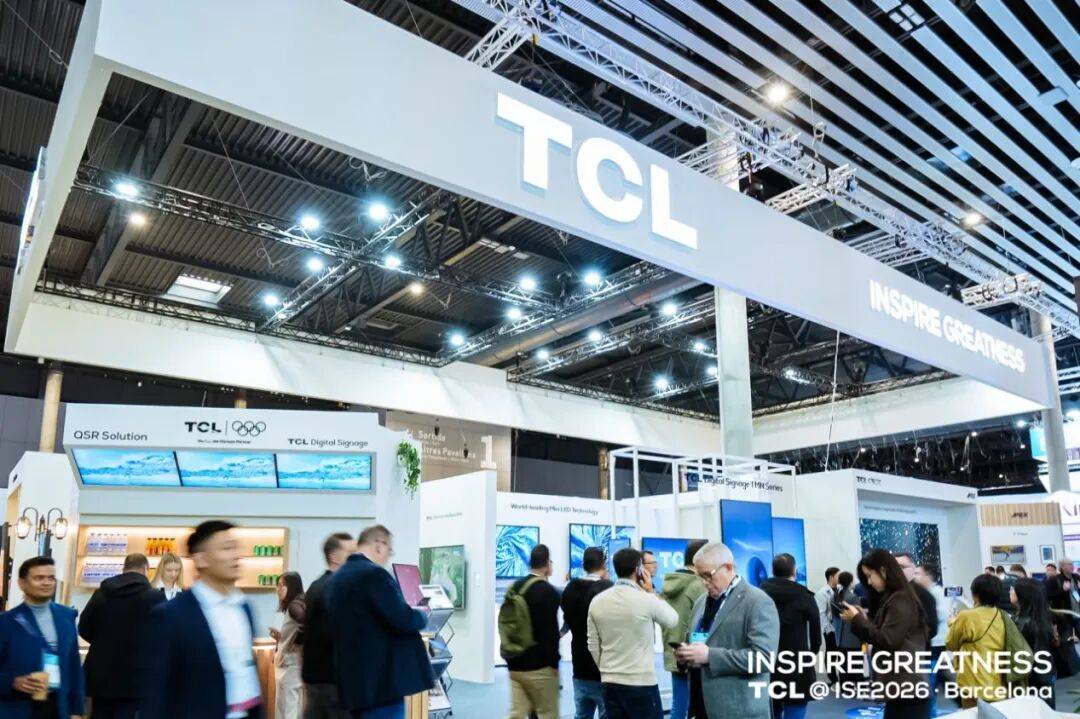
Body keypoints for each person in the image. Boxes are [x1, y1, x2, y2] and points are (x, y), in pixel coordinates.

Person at [142, 520, 262, 719]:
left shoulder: (244, 607)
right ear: (201, 559)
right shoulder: (171, 615)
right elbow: (156, 691)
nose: (235, 555)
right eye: (226, 548)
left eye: (235, 547)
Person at [326, 525, 433, 719]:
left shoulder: (336, 580)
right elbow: (403, 618)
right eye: (389, 551)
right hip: (381, 685)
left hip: (352, 685)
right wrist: (423, 615)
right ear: (379, 546)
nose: (387, 557)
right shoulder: (374, 575)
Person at [675, 541, 779, 719]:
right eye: (700, 576)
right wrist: (687, 654)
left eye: (708, 575)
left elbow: (764, 659)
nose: (704, 582)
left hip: (739, 711)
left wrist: (710, 656)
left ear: (729, 568)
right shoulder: (700, 602)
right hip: (701, 707)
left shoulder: (757, 601)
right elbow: (700, 640)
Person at [587, 548, 677, 719]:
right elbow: (672, 619)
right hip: (641, 683)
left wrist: (608, 670)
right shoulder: (646, 599)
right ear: (638, 570)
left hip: (610, 683)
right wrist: (651, 592)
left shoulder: (597, 601)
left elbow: (593, 645)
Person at [838, 550, 930, 719]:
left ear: (883, 571)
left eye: (870, 575)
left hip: (906, 688)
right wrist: (862, 619)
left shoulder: (900, 599)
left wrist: (858, 619)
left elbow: (887, 640)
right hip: (903, 688)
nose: (869, 582)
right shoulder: (897, 597)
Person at [79, 552, 165, 719]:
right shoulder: (155, 598)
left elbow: (84, 628)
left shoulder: (101, 593)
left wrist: (103, 642)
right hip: (137, 679)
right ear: (146, 569)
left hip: (101, 677)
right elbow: (163, 638)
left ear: (124, 569)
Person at [0, 556, 84, 719]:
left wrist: (77, 710)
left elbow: (74, 666)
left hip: (58, 707)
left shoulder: (66, 616)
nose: (46, 583)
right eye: (39, 578)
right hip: (17, 709)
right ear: (22, 583)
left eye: (51, 578)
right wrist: (12, 682)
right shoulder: (6, 622)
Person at [760, 554, 820, 719]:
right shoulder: (805, 596)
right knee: (796, 709)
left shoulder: (758, 594)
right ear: (794, 571)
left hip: (767, 662)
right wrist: (810, 655)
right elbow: (816, 636)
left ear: (773, 571)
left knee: (770, 711)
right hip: (797, 665)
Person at [504, 544, 560, 719]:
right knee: (548, 714)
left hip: (515, 664)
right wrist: (555, 665)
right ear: (547, 564)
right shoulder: (549, 592)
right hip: (540, 667)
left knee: (517, 714)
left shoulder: (514, 587)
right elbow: (551, 634)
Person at [303, 532, 355, 719]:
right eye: (350, 553)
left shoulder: (316, 585)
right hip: (333, 682)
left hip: (317, 680)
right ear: (334, 556)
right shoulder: (336, 588)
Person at [561, 547, 613, 719]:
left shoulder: (570, 588)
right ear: (604, 564)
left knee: (582, 713)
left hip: (579, 664)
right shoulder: (607, 589)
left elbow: (568, 618)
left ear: (583, 565)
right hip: (603, 666)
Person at [946, 574, 1010, 708]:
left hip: (974, 682)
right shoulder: (1003, 615)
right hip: (999, 680)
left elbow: (951, 644)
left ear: (975, 595)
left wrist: (952, 624)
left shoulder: (966, 616)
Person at [660, 539, 707, 719]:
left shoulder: (670, 582)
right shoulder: (698, 585)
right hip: (693, 652)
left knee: (679, 704)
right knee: (694, 706)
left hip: (674, 649)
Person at [1012, 577, 1057, 709]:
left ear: (1023, 595)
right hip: (1044, 674)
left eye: (1013, 589)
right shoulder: (1040, 618)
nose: (1010, 591)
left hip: (1031, 676)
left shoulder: (1023, 622)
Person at [912, 563, 948, 717]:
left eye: (918, 573)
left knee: (930, 681)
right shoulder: (922, 593)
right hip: (927, 644)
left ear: (928, 576)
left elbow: (941, 615)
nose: (915, 577)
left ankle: (930, 713)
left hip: (936, 643)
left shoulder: (937, 593)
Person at [272, 572, 305, 719]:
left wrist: (297, 642)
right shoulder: (297, 604)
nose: (278, 589)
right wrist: (280, 637)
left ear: (292, 586)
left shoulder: (294, 606)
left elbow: (309, 625)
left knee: (287, 711)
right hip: (293, 665)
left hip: (290, 666)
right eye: (277, 586)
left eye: (282, 585)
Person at [893, 553, 937, 649]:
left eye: (902, 567)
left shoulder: (924, 595)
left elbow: (932, 628)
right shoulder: (886, 594)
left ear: (913, 568)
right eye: (894, 567)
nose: (898, 571)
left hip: (915, 651)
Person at [832, 572, 863, 686]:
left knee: (844, 665)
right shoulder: (853, 597)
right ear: (850, 582)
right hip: (853, 638)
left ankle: (845, 687)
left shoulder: (835, 596)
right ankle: (856, 687)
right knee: (855, 666)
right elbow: (858, 618)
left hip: (840, 638)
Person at [813, 567, 840, 682]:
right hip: (830, 629)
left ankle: (839, 676)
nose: (839, 578)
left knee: (839, 653)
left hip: (840, 628)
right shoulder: (822, 593)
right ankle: (832, 678)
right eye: (838, 576)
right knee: (831, 653)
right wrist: (828, 630)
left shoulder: (839, 590)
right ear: (831, 577)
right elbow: (821, 614)